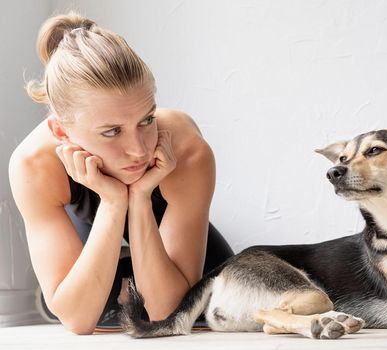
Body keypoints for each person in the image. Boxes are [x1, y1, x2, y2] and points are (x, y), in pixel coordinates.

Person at [9, 12, 234, 335]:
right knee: (86, 304)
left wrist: (141, 197)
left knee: (225, 294)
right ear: (61, 131)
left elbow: (165, 314)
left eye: (146, 120)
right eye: (112, 131)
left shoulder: (186, 150)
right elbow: (77, 320)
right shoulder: (34, 165)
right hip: (96, 244)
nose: (140, 150)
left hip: (167, 248)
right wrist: (113, 202)